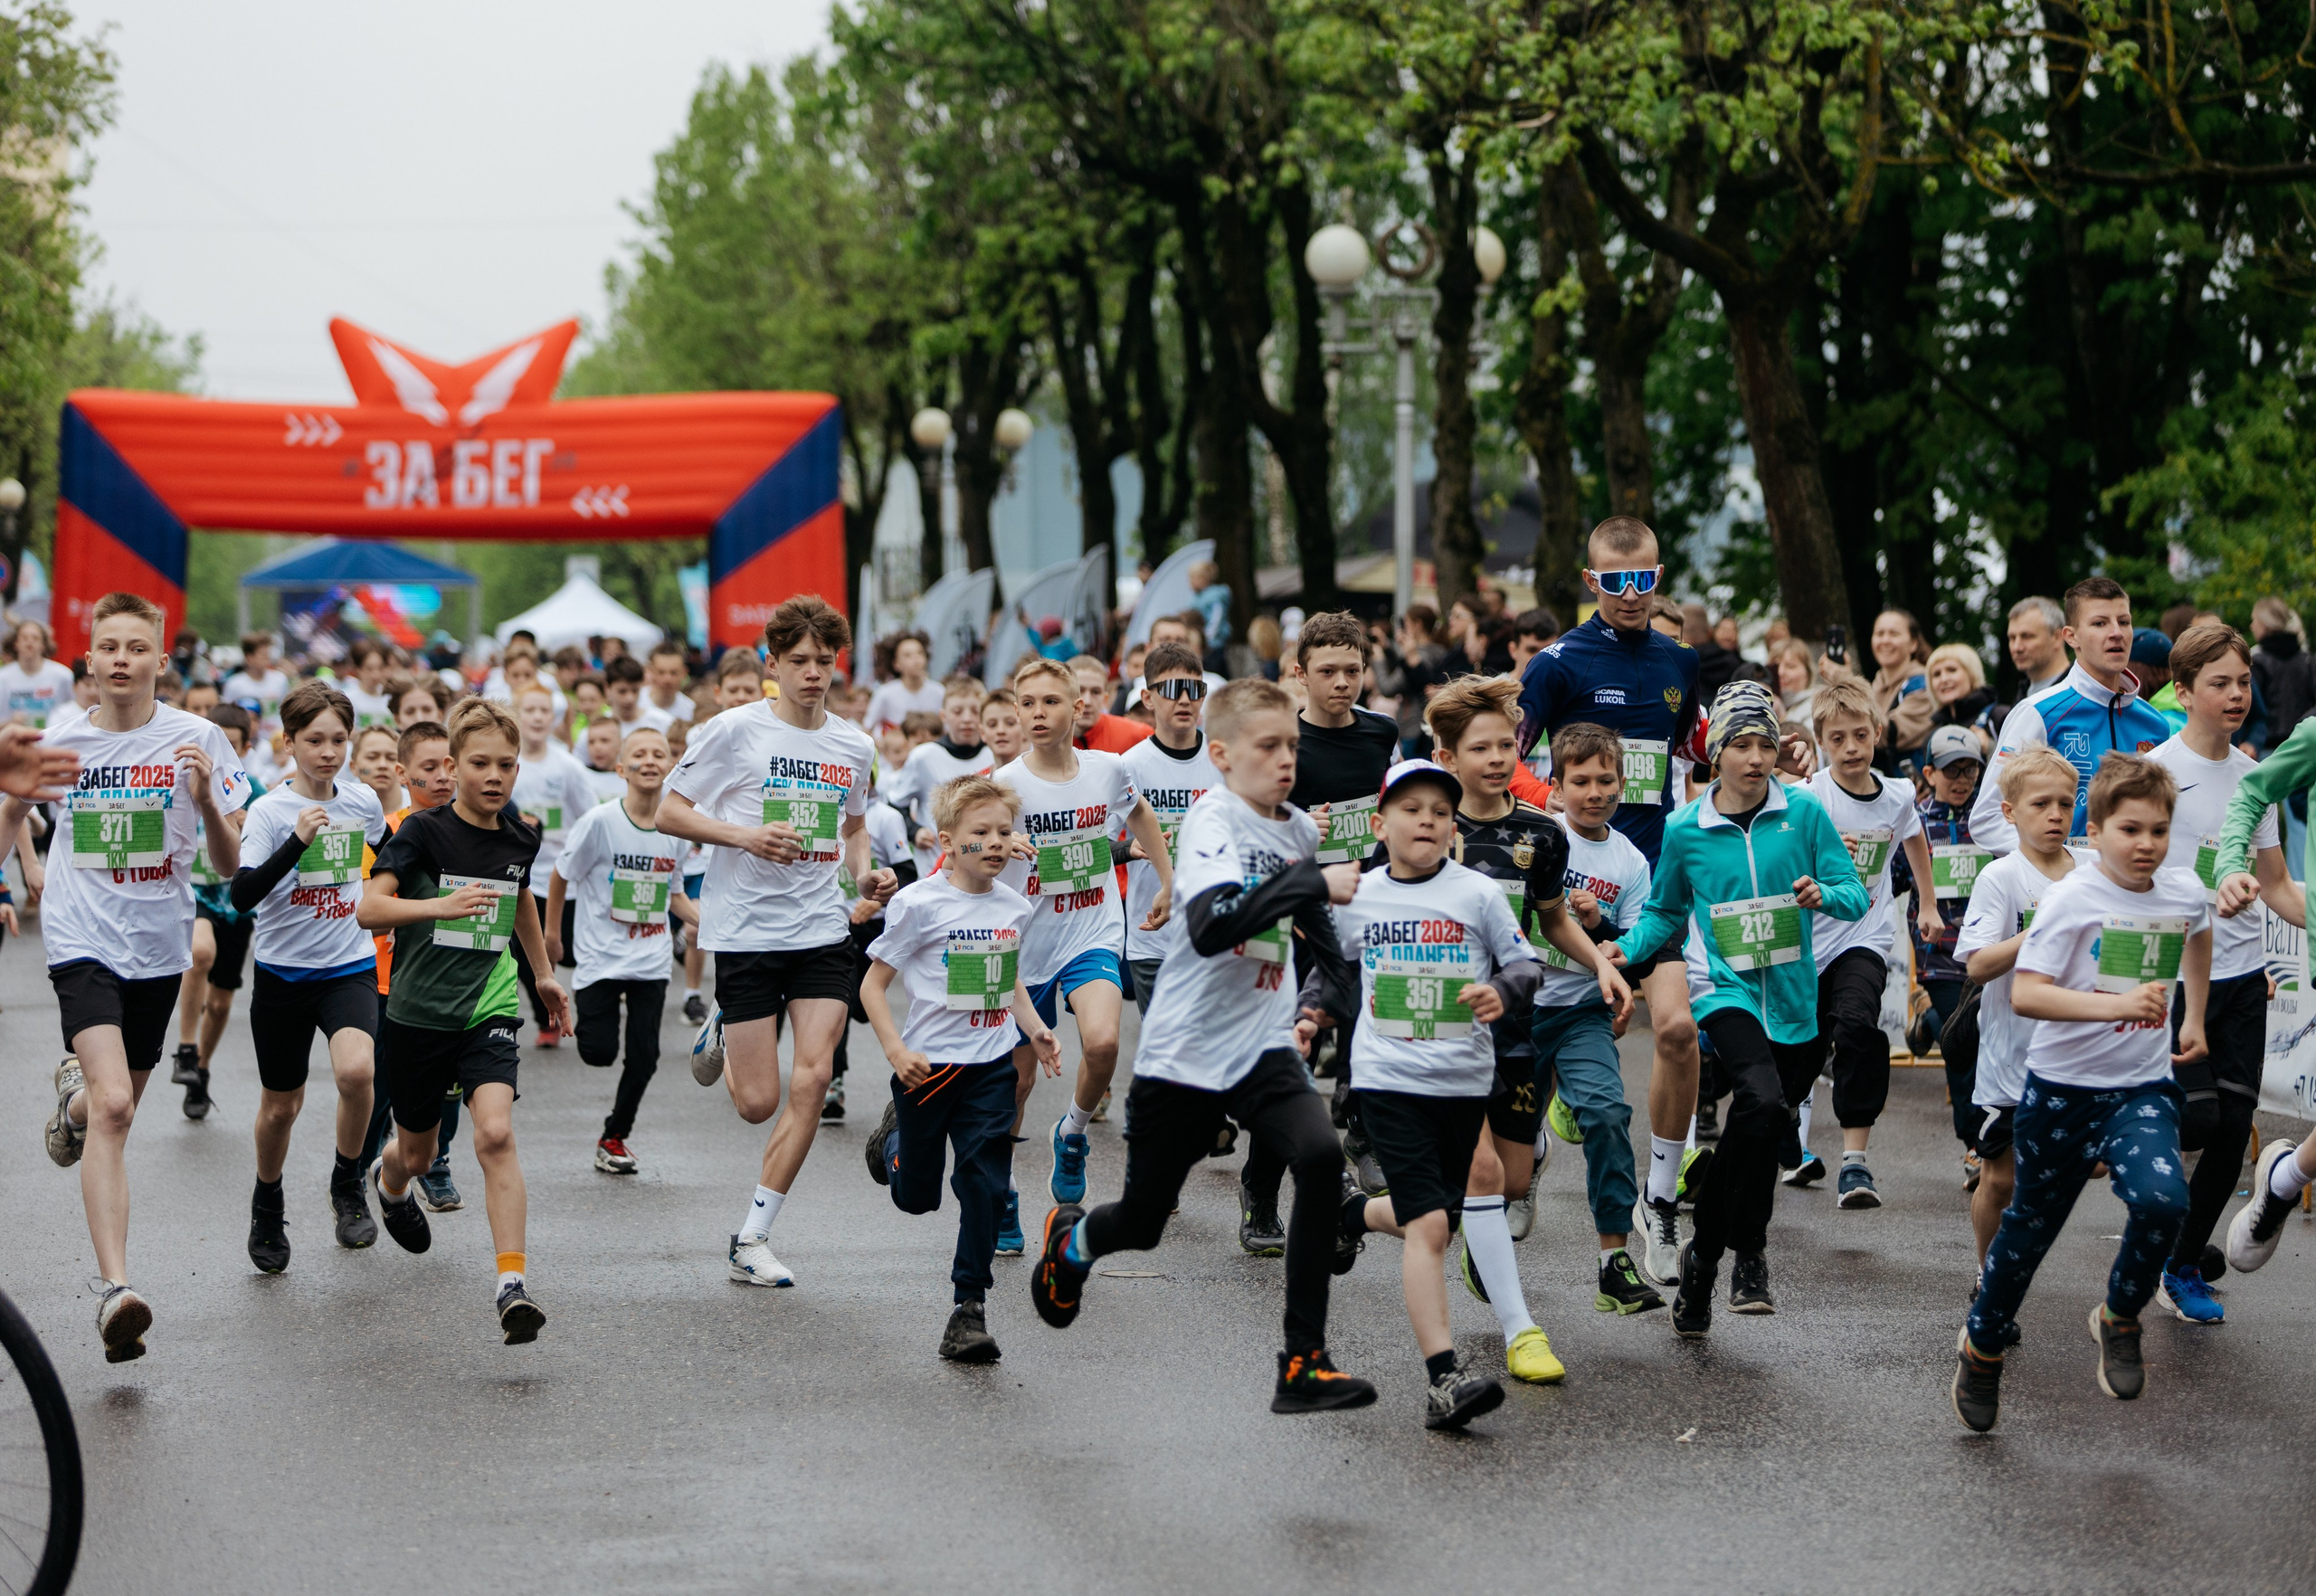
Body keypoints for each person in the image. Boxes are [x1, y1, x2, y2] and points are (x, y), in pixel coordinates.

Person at [1029, 679, 1376, 1416]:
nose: (1286, 760)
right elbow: (1216, 924)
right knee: (1144, 1223)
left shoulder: (1300, 833)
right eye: (1268, 747)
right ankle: (1074, 1244)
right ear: (1221, 755)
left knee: (1318, 1159)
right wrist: (1309, 879)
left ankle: (1303, 1362)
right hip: (1184, 1055)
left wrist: (1315, 1007)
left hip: (1260, 1046)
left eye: (1293, 746)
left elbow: (1331, 955)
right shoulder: (1214, 823)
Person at [7, 592, 251, 1361]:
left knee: (113, 1106)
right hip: (81, 940)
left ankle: (72, 1104)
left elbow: (227, 865)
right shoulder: (61, 740)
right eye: (107, 647)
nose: (121, 659)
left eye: (135, 648)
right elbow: (13, 816)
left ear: (160, 660)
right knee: (119, 1106)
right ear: (87, 662)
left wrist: (209, 799)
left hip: (159, 945)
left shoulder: (198, 738)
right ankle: (117, 1289)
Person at [1952, 754, 2207, 1433]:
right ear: (2095, 833)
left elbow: (2199, 934)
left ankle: (2120, 1315)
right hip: (2061, 1092)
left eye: (2158, 830)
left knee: (2163, 1200)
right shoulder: (2072, 897)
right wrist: (2116, 1004)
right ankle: (1982, 1348)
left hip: (2141, 1088)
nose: (2146, 844)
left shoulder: (2182, 892)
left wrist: (2197, 1016)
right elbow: (2029, 993)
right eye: (2130, 829)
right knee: (2029, 1231)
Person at [1609, 680, 1869, 1335]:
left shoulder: (1804, 813)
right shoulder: (1684, 829)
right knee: (1756, 1103)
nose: (1755, 758)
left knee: (1758, 1134)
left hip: (1794, 997)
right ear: (1715, 753)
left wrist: (1822, 895)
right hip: (1724, 989)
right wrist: (1621, 950)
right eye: (1741, 745)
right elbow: (1665, 911)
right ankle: (1743, 1256)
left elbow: (1854, 893)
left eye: (1766, 745)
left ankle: (1707, 1256)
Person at [1303, 759, 1552, 1429]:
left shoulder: (1476, 894)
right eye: (1413, 810)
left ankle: (1351, 1216)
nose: (1429, 821)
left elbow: (1527, 963)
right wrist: (1308, 1014)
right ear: (1380, 826)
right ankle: (1445, 1377)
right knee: (1436, 1226)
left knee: (1429, 1214)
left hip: (1464, 1082)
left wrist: (1501, 992)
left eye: (1441, 813)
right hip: (1388, 1081)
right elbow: (1333, 969)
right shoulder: (1361, 894)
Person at [660, 596, 897, 1289]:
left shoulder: (853, 745)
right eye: (799, 661)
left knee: (815, 1079)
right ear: (772, 663)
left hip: (822, 929)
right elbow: (672, 811)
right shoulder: (733, 732)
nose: (814, 674)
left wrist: (865, 874)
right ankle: (728, 1033)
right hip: (746, 932)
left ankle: (753, 1237)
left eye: (825, 662)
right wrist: (745, 835)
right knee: (757, 1102)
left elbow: (855, 827)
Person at [1515, 517, 1716, 1287]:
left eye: (1644, 581)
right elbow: (1508, 757)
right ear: (1593, 581)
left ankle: (1658, 1201)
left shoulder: (1679, 659)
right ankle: (1525, 1150)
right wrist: (1563, 817)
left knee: (1676, 1031)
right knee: (1547, 1038)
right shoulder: (1557, 663)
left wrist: (1751, 747)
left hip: (1655, 881)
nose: (1632, 596)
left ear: (1657, 579)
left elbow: (1689, 746)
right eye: (1616, 582)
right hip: (1569, 882)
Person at [1423, 682, 1642, 1357]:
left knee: (1513, 1181)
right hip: (1448, 1024)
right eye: (1479, 747)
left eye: (1503, 745)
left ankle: (1471, 1228)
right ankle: (1519, 1326)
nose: (1495, 758)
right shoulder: (1428, 824)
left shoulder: (1541, 834)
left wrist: (1604, 966)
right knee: (1483, 1171)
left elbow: (1552, 919)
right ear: (1448, 756)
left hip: (1518, 1021)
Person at [358, 698, 569, 1344]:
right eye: (480, 763)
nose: (495, 777)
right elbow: (370, 909)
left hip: (490, 1002)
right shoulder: (422, 832)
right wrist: (440, 908)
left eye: (506, 765)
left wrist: (540, 974)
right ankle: (389, 1182)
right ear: (453, 766)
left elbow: (521, 897)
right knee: (418, 1154)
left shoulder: (520, 833)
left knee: (495, 1135)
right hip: (418, 1013)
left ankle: (511, 1284)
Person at [861, 774, 1062, 1363]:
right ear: (947, 841)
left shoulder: (1014, 905)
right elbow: (874, 987)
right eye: (982, 832)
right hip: (928, 1070)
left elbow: (1009, 981)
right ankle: (894, 1142)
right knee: (917, 1198)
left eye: (1004, 831)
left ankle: (968, 1310)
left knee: (987, 1185)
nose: (997, 842)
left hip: (990, 1068)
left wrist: (1036, 1031)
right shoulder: (918, 905)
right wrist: (896, 1052)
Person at [2143, 625, 2288, 1322]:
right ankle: (2159, 1222)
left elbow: (2279, 883)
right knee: (2196, 1119)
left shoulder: (2257, 776)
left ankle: (2178, 1263)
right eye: (2220, 683)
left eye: (2243, 682)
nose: (2236, 695)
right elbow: (2121, 876)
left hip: (2242, 977)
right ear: (2183, 691)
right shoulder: (2154, 776)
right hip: (2170, 976)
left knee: (2233, 1127)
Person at [992, 657, 1171, 1205]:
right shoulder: (1006, 784)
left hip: (1091, 930)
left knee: (1104, 1042)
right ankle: (1002, 1189)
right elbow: (968, 857)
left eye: (1050, 702)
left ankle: (1071, 1134)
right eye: (1027, 703)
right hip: (1024, 949)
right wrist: (1002, 846)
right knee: (1015, 1085)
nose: (1038, 713)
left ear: (1078, 708)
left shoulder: (1107, 769)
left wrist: (1168, 880)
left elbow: (1139, 814)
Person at [225, 681, 388, 1269]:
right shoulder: (270, 812)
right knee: (281, 1107)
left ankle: (347, 1184)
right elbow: (242, 895)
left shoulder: (361, 801)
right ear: (288, 742)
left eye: (339, 740)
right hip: (282, 976)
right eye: (314, 740)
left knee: (356, 1071)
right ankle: (267, 1201)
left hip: (348, 964)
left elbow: (392, 856)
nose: (328, 752)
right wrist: (298, 841)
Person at [1794, 678, 1942, 1208]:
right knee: (1802, 1048)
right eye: (1838, 739)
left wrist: (1926, 903)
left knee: (1857, 1026)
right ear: (1822, 744)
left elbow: (1915, 839)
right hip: (1809, 941)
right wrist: (1824, 855)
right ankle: (1790, 1128)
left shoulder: (1899, 793)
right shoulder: (1811, 796)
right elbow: (1782, 858)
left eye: (1861, 735)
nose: (1852, 748)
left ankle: (1855, 1164)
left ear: (1878, 733)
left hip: (1866, 935)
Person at [546, 725, 698, 1177]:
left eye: (659, 754)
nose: (650, 761)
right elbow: (560, 875)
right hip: (600, 958)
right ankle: (610, 1115)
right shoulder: (600, 821)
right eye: (639, 755)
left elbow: (674, 895)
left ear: (671, 767)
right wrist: (553, 936)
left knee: (645, 1055)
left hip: (650, 957)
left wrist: (708, 922)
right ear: (621, 770)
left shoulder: (676, 829)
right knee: (598, 1053)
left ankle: (614, 1135)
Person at [1954, 747, 2081, 1272]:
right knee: (2000, 1179)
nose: (2055, 814)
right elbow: (1979, 965)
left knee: (2092, 1166)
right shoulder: (2001, 878)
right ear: (2009, 812)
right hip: (2011, 1058)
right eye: (2040, 804)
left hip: (2079, 1055)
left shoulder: (2094, 869)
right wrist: (2037, 933)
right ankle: (1988, 1278)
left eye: (2066, 804)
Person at [1972, 577, 2171, 853]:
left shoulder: (2156, 724)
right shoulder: (2038, 712)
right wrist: (2058, 865)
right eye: (2100, 623)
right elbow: (1988, 819)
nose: (2116, 633)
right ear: (2071, 636)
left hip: (2133, 891)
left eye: (2124, 622)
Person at [1116, 644, 1217, 1031]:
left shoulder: (1223, 760)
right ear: (1148, 698)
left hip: (1212, 934)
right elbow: (1097, 845)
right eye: (1173, 689)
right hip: (1152, 940)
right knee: (1169, 1048)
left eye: (1196, 689)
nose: (1186, 699)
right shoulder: (1130, 766)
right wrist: (1130, 848)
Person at [169, 704, 260, 1119]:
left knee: (222, 1004)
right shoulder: (185, 778)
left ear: (244, 747)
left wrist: (245, 824)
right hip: (196, 893)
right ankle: (186, 1048)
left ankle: (201, 1069)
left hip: (235, 904)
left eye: (231, 745)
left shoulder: (253, 790)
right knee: (199, 953)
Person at [510, 684, 597, 1048]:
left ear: (555, 717)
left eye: (544, 710)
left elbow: (591, 817)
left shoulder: (567, 766)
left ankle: (591, 1010)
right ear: (517, 715)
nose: (536, 717)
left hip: (565, 879)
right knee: (528, 958)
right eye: (529, 710)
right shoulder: (506, 763)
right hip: (521, 879)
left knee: (575, 952)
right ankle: (546, 1021)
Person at [886, 677, 992, 878]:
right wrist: (914, 831)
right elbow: (894, 805)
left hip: (986, 871)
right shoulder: (924, 756)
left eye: (975, 711)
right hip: (935, 872)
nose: (967, 718)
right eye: (958, 711)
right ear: (943, 715)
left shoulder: (995, 754)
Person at [1862, 609, 1934, 774]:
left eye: (1894, 634)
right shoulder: (1875, 685)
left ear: (1914, 643)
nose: (1885, 640)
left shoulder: (1923, 684)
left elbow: (1889, 735)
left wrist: (1849, 685)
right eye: (1879, 634)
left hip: (1914, 790)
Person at [1925, 641, 1998, 757]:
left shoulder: (1999, 717)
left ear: (1972, 675)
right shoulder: (1932, 736)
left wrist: (1990, 748)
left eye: (1951, 670)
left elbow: (2026, 768)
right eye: (1936, 674)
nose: (1943, 679)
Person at [0, 619, 75, 729]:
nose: (29, 642)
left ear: (43, 645)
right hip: (13, 741)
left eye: (35, 638)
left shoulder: (63, 676)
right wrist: (10, 723)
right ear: (16, 644)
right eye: (24, 638)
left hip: (52, 741)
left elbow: (78, 712)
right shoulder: (3, 678)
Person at [1069, 655, 1152, 754]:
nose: (1087, 702)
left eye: (1096, 692)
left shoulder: (1137, 735)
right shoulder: (1049, 738)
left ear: (1105, 699)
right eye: (1079, 691)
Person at [866, 631, 942, 733]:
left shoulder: (939, 692)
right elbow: (867, 728)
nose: (916, 659)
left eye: (920, 653)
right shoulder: (885, 693)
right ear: (896, 663)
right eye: (907, 655)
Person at [223, 631, 291, 736]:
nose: (267, 658)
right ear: (249, 658)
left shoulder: (280, 680)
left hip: (274, 740)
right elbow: (227, 716)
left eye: (268, 654)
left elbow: (287, 712)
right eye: (263, 655)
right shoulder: (234, 684)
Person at [2006, 595, 2072, 701]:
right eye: (2012, 638)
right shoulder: (2022, 695)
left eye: (2027, 636)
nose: (2017, 647)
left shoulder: (2083, 691)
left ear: (2057, 637)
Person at [641, 641, 698, 734]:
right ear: (651, 671)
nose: (668, 679)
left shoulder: (690, 710)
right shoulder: (636, 702)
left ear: (684, 673)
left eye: (673, 673)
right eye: (661, 672)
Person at [342, 639, 395, 728]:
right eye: (369, 669)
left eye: (380, 668)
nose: (376, 675)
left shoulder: (390, 697)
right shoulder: (347, 698)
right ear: (358, 669)